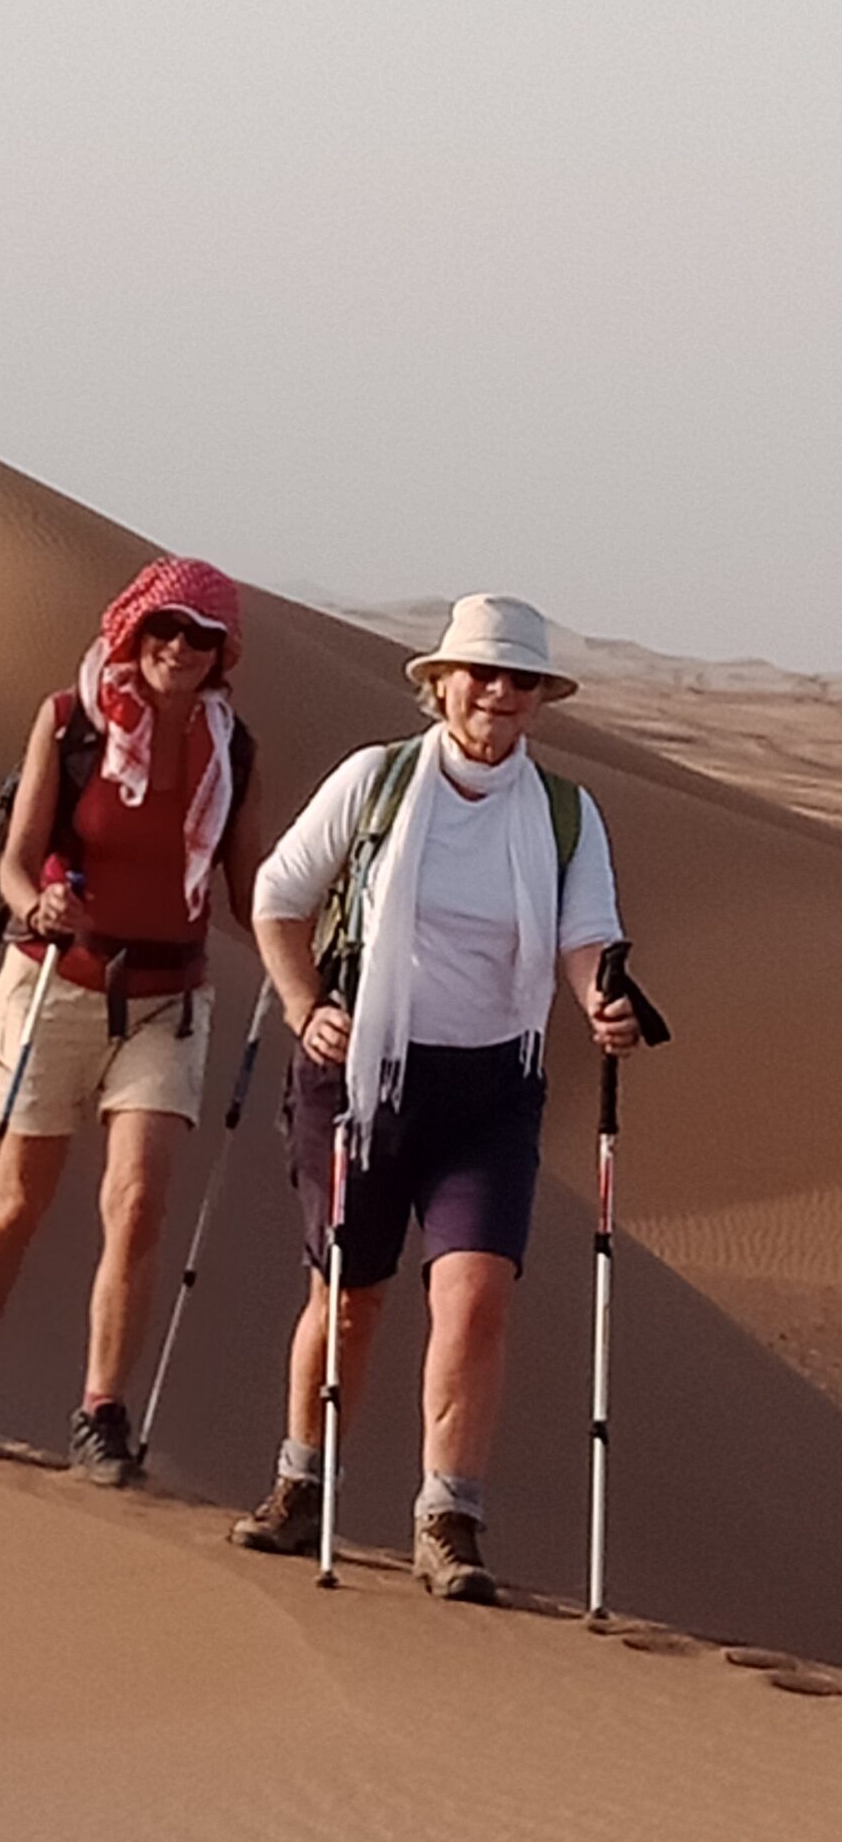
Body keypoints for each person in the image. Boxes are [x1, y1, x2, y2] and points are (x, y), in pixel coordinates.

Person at [230, 594, 638, 1603]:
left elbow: (584, 938)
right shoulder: (374, 783)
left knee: (476, 1294)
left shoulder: (563, 813)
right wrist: (304, 1003)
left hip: (492, 1083)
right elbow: (279, 895)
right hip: (364, 1072)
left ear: (540, 699)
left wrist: (600, 1001)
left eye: (520, 680)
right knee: (349, 1293)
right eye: (483, 675)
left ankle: (448, 1516)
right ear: (440, 683)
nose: (499, 694)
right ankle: (300, 1485)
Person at [0, 557, 262, 1486]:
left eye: (202, 638)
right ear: (134, 631)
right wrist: (35, 905)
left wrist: (317, 937)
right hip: (57, 983)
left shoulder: (231, 747)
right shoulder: (70, 719)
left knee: (139, 1201)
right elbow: (17, 859)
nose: (180, 651)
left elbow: (251, 886)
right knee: (21, 1198)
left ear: (221, 653)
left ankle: (101, 1411)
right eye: (167, 630)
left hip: (168, 997)